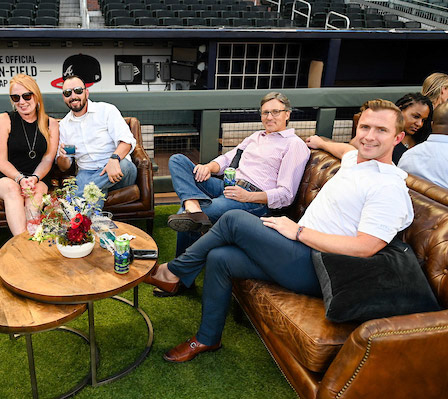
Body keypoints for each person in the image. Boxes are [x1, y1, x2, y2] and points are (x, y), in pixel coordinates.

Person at [144, 99, 413, 363]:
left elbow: (366, 247)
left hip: (322, 266)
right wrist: (321, 142)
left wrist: (299, 232)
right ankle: (207, 338)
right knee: (220, 258)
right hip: (298, 250)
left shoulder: (389, 187)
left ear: (398, 137)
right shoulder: (356, 159)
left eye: (381, 130)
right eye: (364, 127)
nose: (369, 136)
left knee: (234, 219)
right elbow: (347, 149)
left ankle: (174, 271)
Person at [166, 92, 310, 259]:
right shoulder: (256, 136)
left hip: (251, 200)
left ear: (287, 114)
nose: (269, 117)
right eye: (265, 112)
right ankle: (193, 205)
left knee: (185, 215)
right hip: (229, 185)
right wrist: (209, 167)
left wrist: (248, 196)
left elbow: (286, 195)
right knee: (178, 161)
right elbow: (228, 158)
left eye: (275, 112)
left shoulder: (294, 145)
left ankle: (179, 275)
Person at [0, 74, 59, 236]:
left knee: (36, 193)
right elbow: (0, 160)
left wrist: (34, 178)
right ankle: (22, 244)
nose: (22, 102)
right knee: (13, 190)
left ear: (36, 95)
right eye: (15, 97)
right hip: (4, 174)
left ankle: (32, 238)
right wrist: (20, 179)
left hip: (37, 175)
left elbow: (48, 158)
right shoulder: (3, 120)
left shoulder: (51, 123)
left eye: (26, 96)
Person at [56, 75, 137, 207]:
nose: (73, 96)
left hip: (117, 168)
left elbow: (127, 141)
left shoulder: (106, 111)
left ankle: (71, 200)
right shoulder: (64, 126)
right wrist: (63, 157)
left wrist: (114, 159)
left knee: (125, 165)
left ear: (86, 92)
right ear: (63, 97)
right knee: (93, 195)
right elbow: (65, 166)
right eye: (67, 93)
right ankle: (97, 224)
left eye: (78, 90)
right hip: (86, 172)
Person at [398, 102, 448, 189]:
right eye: (415, 116)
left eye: (423, 120)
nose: (419, 124)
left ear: (431, 125)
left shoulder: (407, 155)